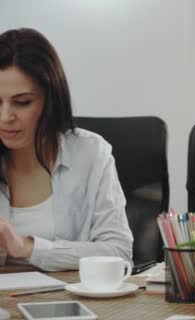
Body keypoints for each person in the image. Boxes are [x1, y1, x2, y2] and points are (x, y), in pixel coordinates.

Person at [0, 28, 133, 271]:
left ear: (50, 100)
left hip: (73, 301)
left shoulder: (91, 153)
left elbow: (118, 252)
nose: (5, 116)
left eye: (22, 102)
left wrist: (26, 247)